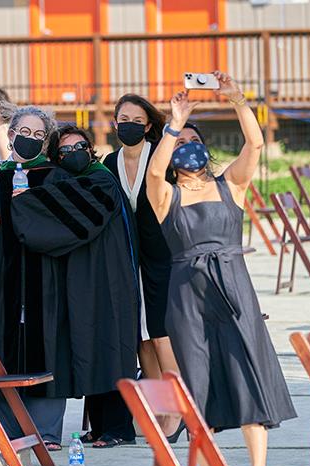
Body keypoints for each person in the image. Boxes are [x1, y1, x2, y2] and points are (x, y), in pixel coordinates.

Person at [146, 71, 296, 466]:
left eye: (193, 142)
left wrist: (237, 101)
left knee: (245, 371)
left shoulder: (231, 185)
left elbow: (257, 144)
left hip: (233, 288)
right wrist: (174, 123)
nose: (187, 148)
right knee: (198, 378)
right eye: (179, 144)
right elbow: (154, 176)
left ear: (205, 149)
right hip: (187, 297)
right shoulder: (166, 197)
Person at [10, 125, 140, 450]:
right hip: (77, 278)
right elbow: (52, 213)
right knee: (89, 346)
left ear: (90, 147)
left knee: (108, 345)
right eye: (66, 150)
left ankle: (118, 428)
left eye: (80, 146)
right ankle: (98, 428)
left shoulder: (102, 180)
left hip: (107, 277)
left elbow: (64, 209)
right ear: (56, 156)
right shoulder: (56, 180)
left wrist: (29, 201)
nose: (75, 153)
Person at [102, 94, 183, 441]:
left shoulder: (160, 157)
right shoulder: (108, 162)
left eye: (137, 120)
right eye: (123, 118)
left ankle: (180, 410)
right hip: (126, 260)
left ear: (149, 125)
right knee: (141, 339)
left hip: (163, 256)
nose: (129, 125)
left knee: (162, 333)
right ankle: (156, 409)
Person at [0, 106, 66, 449]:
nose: (31, 140)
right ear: (10, 135)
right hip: (4, 273)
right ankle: (12, 429)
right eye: (25, 133)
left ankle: (47, 430)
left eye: (39, 135)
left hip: (43, 272)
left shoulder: (53, 175)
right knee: (5, 344)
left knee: (46, 343)